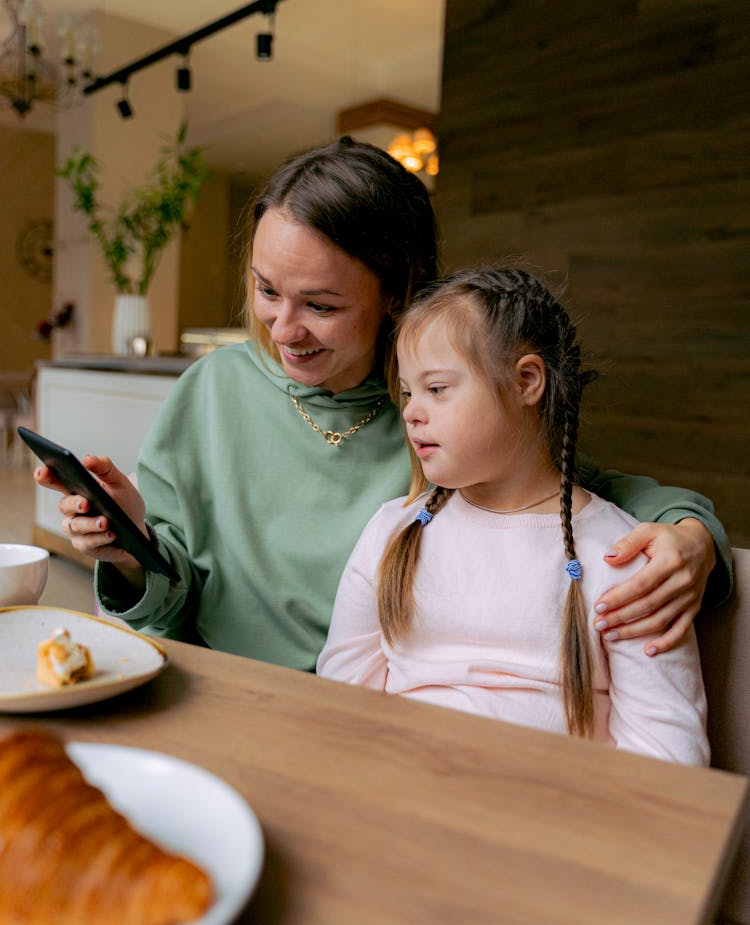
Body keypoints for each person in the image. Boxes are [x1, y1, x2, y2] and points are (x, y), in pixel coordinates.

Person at [36, 138, 730, 671]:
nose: (283, 329)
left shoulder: (445, 411)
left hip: (373, 719)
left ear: (396, 293)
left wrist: (694, 539)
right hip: (224, 694)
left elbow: (597, 493)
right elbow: (172, 602)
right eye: (266, 289)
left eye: (321, 305)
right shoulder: (213, 390)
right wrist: (133, 545)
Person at [317, 266, 710, 764]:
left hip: (555, 817)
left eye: (436, 389)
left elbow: (670, 758)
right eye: (409, 392)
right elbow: (339, 705)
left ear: (526, 381)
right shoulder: (392, 531)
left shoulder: (622, 557)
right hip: (398, 793)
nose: (412, 411)